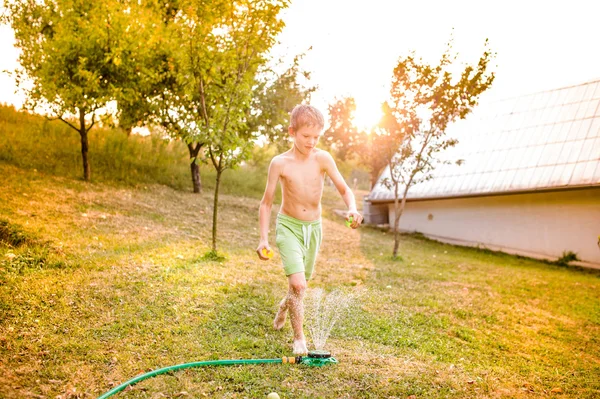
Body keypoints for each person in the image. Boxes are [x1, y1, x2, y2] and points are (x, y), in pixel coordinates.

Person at [256, 104, 363, 355]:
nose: (312, 142)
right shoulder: (279, 163)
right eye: (306, 136)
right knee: (300, 286)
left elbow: (345, 189)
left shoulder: (322, 159)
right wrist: (263, 239)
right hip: (288, 227)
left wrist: (352, 208)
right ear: (292, 132)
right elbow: (266, 202)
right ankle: (299, 339)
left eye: (316, 137)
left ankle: (284, 306)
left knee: (298, 287)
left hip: (313, 229)